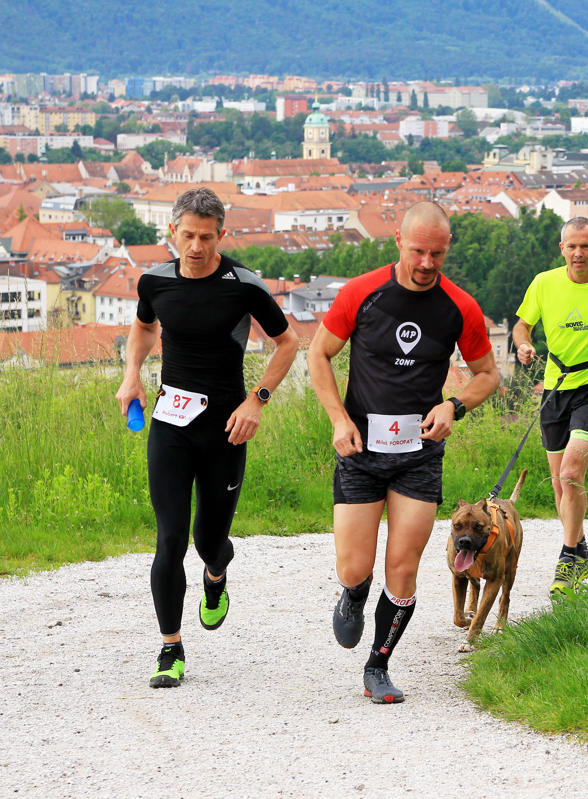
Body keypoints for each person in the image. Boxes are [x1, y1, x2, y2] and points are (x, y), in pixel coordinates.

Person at [307, 201, 500, 703]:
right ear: (398, 239)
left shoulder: (461, 307)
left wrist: (454, 405)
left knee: (404, 568)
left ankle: (378, 666)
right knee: (355, 567)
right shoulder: (361, 293)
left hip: (418, 453)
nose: (427, 263)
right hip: (360, 448)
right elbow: (318, 353)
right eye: (419, 251)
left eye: (438, 253)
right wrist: (338, 419)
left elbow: (488, 375)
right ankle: (352, 593)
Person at [115, 187, 299, 688]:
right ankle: (170, 649)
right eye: (187, 235)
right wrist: (132, 373)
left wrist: (256, 400)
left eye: (206, 237)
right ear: (172, 231)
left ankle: (216, 577)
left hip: (226, 427)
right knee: (170, 539)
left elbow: (288, 343)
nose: (196, 247)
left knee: (208, 542)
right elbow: (144, 330)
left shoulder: (243, 285)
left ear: (222, 234)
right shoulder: (153, 280)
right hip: (170, 424)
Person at [513, 216, 588, 597]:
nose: (578, 253)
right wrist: (523, 344)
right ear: (562, 249)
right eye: (571, 246)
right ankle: (582, 550)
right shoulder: (544, 283)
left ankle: (568, 556)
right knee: (559, 484)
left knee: (571, 473)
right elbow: (523, 324)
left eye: (585, 245)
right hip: (556, 387)